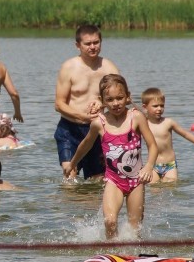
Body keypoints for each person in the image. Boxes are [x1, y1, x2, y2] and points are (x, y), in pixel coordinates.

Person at [64, 74, 158, 239]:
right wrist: (73, 163)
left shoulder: (136, 117)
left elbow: (153, 145)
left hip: (136, 181)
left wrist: (149, 166)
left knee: (135, 229)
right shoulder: (99, 123)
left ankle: (133, 256)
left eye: (120, 98)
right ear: (102, 100)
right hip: (113, 181)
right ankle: (111, 252)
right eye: (110, 99)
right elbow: (85, 145)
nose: (116, 103)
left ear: (127, 96)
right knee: (110, 221)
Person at [54, 24, 120, 180]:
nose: (93, 47)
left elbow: (123, 99)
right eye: (88, 43)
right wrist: (82, 117)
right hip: (70, 130)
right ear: (78, 45)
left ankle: (89, 205)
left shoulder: (109, 68)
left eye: (96, 42)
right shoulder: (69, 67)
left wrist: (103, 103)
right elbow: (59, 104)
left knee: (97, 180)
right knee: (70, 175)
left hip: (97, 131)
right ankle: (70, 203)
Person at [140, 87, 194, 183]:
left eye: (162, 105)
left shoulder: (168, 122)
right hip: (153, 165)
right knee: (154, 190)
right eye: (155, 106)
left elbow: (184, 134)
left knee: (171, 185)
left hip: (170, 165)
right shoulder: (144, 125)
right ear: (145, 107)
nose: (159, 109)